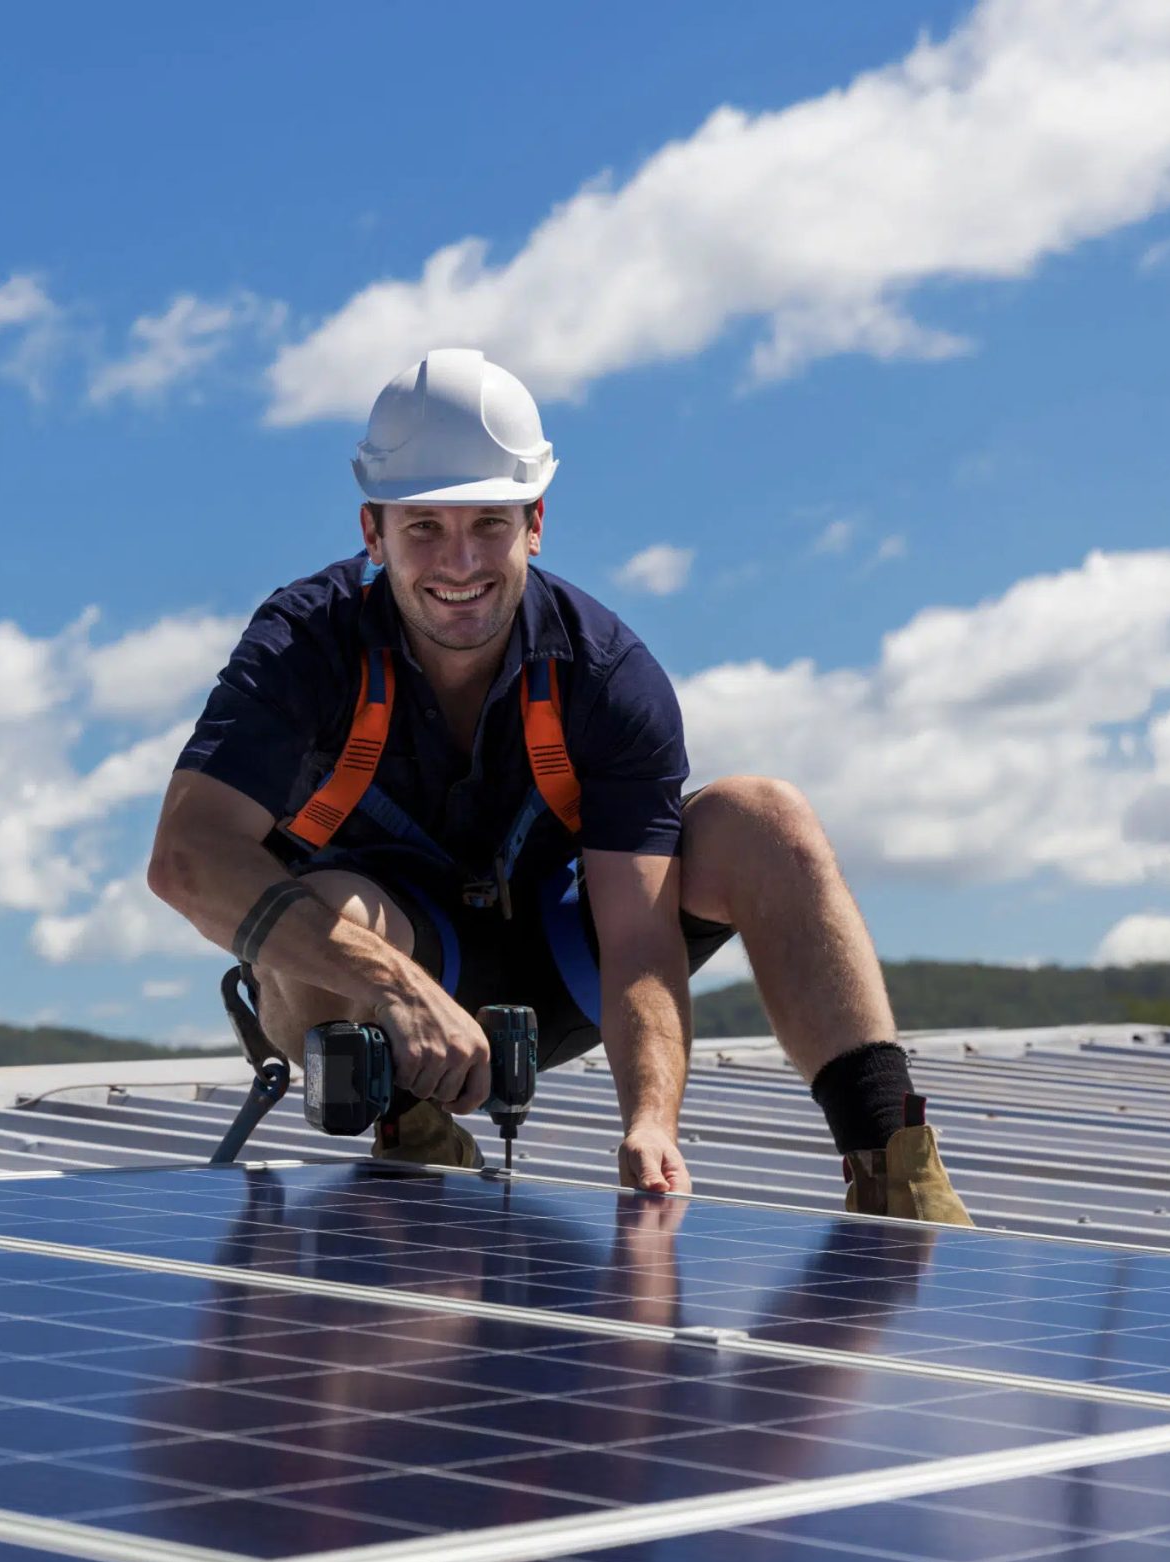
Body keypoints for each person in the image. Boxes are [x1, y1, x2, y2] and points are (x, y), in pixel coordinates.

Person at [145, 348, 970, 1224]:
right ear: (371, 531)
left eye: (488, 524)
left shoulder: (607, 675)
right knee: (335, 905)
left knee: (765, 817)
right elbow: (186, 858)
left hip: (562, 967)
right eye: (424, 526)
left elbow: (640, 940)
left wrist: (651, 1120)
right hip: (375, 989)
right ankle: (413, 1127)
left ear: (535, 523)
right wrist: (398, 988)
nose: (458, 562)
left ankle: (897, 1169)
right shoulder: (303, 646)